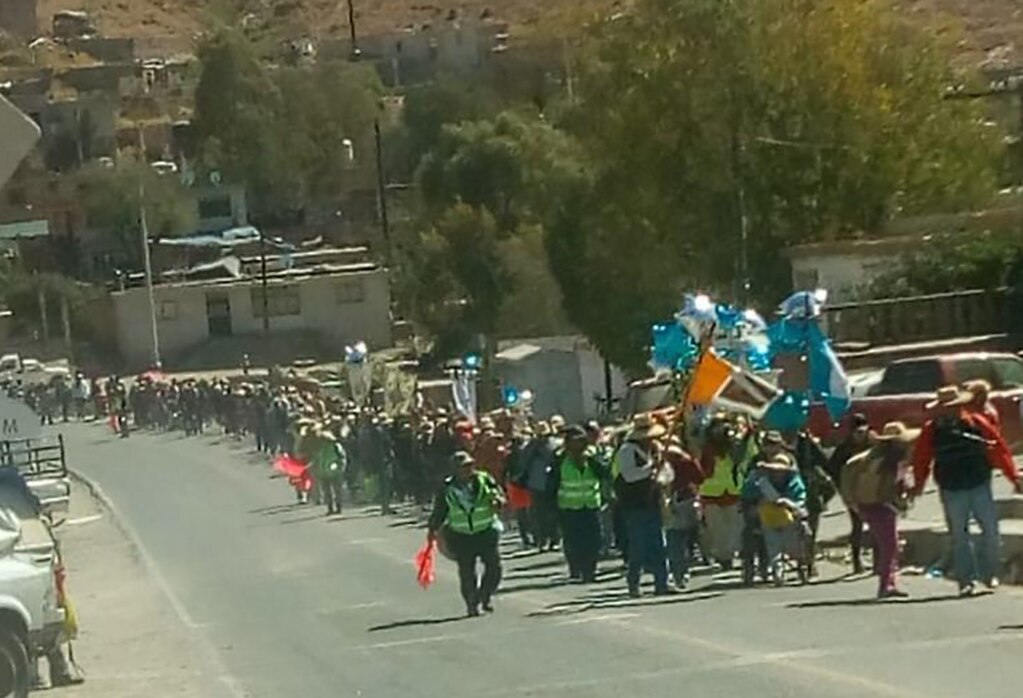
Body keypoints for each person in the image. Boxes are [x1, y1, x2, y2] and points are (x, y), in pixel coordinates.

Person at [911, 385, 1022, 595]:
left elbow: (999, 449)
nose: (946, 410)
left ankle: (990, 574)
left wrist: (1013, 476)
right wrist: (918, 485)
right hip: (951, 487)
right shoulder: (932, 429)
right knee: (959, 536)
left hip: (978, 483)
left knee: (991, 532)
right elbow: (921, 459)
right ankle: (966, 580)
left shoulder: (977, 422)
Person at [426, 451, 506, 617]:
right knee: (467, 572)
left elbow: (499, 495)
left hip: (486, 531)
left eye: (470, 465)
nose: (468, 469)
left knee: (495, 569)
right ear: (455, 469)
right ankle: (471, 604)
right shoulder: (446, 488)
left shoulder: (484, 479)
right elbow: (440, 510)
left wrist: (498, 502)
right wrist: (433, 529)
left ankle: (484, 595)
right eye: (463, 467)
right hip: (461, 535)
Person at [842, 422, 915, 599]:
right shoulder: (879, 461)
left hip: (878, 505)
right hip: (876, 504)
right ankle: (886, 585)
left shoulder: (885, 459)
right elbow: (881, 486)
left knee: (889, 545)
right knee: (890, 545)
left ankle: (889, 582)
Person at [615, 414, 674, 597]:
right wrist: (651, 468)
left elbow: (668, 472)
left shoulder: (656, 448)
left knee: (659, 544)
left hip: (653, 502)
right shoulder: (626, 451)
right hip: (634, 504)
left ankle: (662, 583)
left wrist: (661, 478)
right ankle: (634, 583)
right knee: (638, 546)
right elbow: (629, 475)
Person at [549, 426, 606, 582]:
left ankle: (590, 570)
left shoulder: (592, 457)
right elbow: (552, 484)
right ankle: (575, 568)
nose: (578, 445)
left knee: (594, 539)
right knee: (573, 540)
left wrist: (592, 460)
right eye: (574, 441)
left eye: (581, 441)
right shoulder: (560, 459)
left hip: (591, 505)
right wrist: (552, 508)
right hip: (569, 507)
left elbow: (604, 473)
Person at [741, 452, 808, 586]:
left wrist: (789, 503)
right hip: (767, 516)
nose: (778, 473)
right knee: (772, 545)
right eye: (775, 470)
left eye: (781, 470)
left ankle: (801, 564)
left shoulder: (794, 481)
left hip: (790, 517)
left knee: (795, 543)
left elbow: (800, 498)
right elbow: (747, 493)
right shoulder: (761, 480)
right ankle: (777, 571)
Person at [699, 416, 752, 568]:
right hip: (710, 492)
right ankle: (723, 556)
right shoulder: (705, 447)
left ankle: (730, 554)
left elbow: (742, 456)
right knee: (717, 528)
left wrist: (743, 435)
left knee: (735, 527)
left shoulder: (735, 445)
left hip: (733, 490)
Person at [826, 413, 873, 573]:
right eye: (857, 432)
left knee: (877, 524)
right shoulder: (844, 448)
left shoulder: (873, 443)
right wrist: (843, 488)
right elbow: (832, 469)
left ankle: (879, 562)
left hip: (873, 489)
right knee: (857, 525)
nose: (860, 435)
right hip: (853, 491)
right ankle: (856, 561)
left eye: (863, 431)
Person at [663, 435, 703, 588]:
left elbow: (699, 478)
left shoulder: (669, 461)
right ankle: (680, 572)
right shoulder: (683, 460)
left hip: (680, 500)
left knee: (677, 539)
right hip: (680, 500)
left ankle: (679, 572)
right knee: (680, 539)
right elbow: (699, 478)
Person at [311, 423, 347, 516]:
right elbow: (317, 459)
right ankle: (330, 508)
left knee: (337, 491)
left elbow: (342, 457)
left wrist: (341, 467)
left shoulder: (335, 446)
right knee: (327, 492)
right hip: (323, 472)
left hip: (335, 472)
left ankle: (338, 507)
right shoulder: (319, 448)